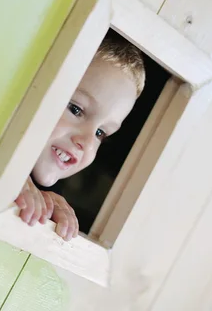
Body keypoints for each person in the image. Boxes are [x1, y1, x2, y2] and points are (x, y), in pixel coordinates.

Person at [15, 32, 145, 241]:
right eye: (76, 110)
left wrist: (45, 208)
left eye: (100, 133)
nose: (86, 142)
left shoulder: (52, 195)